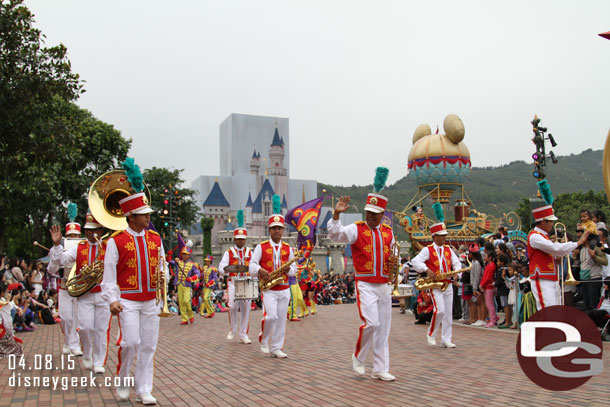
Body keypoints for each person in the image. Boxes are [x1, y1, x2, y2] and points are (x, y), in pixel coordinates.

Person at [101, 191, 165, 405]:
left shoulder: (155, 239)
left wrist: (163, 294)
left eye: (148, 214)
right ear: (130, 216)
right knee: (130, 343)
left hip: (151, 300)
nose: (148, 217)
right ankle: (122, 379)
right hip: (127, 300)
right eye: (143, 214)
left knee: (149, 345)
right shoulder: (116, 241)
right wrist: (112, 299)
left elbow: (163, 266)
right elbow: (108, 274)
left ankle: (144, 390)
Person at [327, 187, 397, 381]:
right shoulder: (357, 229)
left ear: (383, 214)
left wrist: (394, 269)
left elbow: (394, 256)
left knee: (383, 328)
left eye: (375, 214)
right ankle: (358, 356)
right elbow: (336, 235)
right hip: (365, 284)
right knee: (371, 323)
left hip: (384, 284)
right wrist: (336, 214)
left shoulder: (389, 233)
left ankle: (380, 368)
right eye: (368, 213)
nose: (371, 216)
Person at [250, 199, 297, 359]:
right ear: (269, 230)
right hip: (269, 289)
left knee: (281, 320)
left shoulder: (287, 248)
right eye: (274, 228)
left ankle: (277, 347)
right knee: (271, 317)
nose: (277, 231)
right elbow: (251, 265)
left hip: (284, 288)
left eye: (279, 228)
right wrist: (260, 270)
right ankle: (263, 338)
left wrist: (288, 269)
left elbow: (295, 271)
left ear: (283, 230)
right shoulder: (260, 247)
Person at [528, 204, 588, 310]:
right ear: (543, 221)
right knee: (548, 311)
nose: (552, 224)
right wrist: (578, 243)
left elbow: (551, 252)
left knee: (555, 310)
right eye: (551, 221)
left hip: (552, 278)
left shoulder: (543, 236)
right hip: (542, 279)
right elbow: (555, 248)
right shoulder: (534, 236)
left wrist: (556, 259)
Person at [412, 221, 462, 347]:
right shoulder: (427, 250)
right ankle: (431, 334)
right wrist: (426, 270)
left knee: (448, 313)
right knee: (439, 311)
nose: (444, 237)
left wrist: (457, 274)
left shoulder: (448, 250)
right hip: (435, 285)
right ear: (434, 236)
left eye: (445, 235)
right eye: (441, 235)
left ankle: (446, 339)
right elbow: (415, 261)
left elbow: (457, 264)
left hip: (448, 284)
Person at [46, 218, 83, 356]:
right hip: (64, 288)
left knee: (77, 318)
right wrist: (58, 259)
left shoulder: (83, 247)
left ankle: (74, 344)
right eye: (70, 235)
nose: (73, 238)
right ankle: (68, 341)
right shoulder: (57, 249)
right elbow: (50, 270)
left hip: (80, 288)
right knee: (66, 317)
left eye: (76, 235)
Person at [218, 221, 254, 344]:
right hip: (233, 282)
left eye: (242, 239)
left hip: (247, 282)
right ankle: (233, 329)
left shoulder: (250, 252)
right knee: (232, 307)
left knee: (246, 309)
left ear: (245, 239)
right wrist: (228, 271)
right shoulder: (229, 252)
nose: (240, 241)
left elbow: (254, 267)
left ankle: (243, 334)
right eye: (238, 239)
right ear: (234, 239)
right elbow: (221, 267)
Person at [169, 245, 200, 325]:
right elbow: (170, 262)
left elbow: (198, 274)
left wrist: (191, 278)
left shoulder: (193, 265)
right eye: (183, 254)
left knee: (187, 301)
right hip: (179, 284)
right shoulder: (178, 262)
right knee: (181, 302)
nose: (184, 255)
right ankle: (184, 319)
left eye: (186, 254)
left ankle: (191, 315)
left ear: (189, 255)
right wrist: (170, 256)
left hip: (187, 285)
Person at [0, 283, 23, 358]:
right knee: (18, 349)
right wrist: (11, 335)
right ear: (2, 293)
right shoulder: (3, 304)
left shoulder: (4, 302)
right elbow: (7, 323)